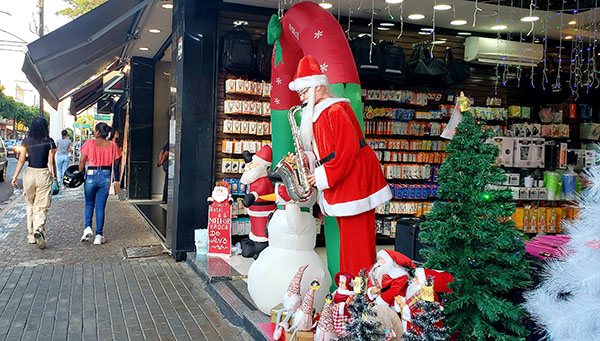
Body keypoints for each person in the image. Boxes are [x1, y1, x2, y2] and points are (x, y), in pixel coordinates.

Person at [288, 55, 392, 275]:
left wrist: (323, 175)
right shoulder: (322, 112)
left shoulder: (334, 111)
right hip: (345, 182)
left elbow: (347, 151)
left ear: (317, 87)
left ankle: (359, 292)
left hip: (354, 183)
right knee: (350, 242)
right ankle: (349, 288)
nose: (302, 97)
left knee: (357, 245)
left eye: (304, 91)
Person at [11, 117, 57, 249]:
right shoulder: (49, 141)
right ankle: (39, 229)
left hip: (29, 173)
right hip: (43, 173)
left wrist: (15, 177)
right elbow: (51, 162)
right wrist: (54, 178)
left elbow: (21, 160)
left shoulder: (26, 141)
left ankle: (31, 235)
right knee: (42, 205)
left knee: (29, 204)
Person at [78, 123, 121, 245]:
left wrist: (80, 172)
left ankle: (87, 227)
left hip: (91, 174)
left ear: (97, 132)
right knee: (100, 206)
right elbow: (117, 161)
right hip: (106, 176)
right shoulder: (112, 145)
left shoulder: (90, 143)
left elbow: (82, 161)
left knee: (89, 203)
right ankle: (98, 235)